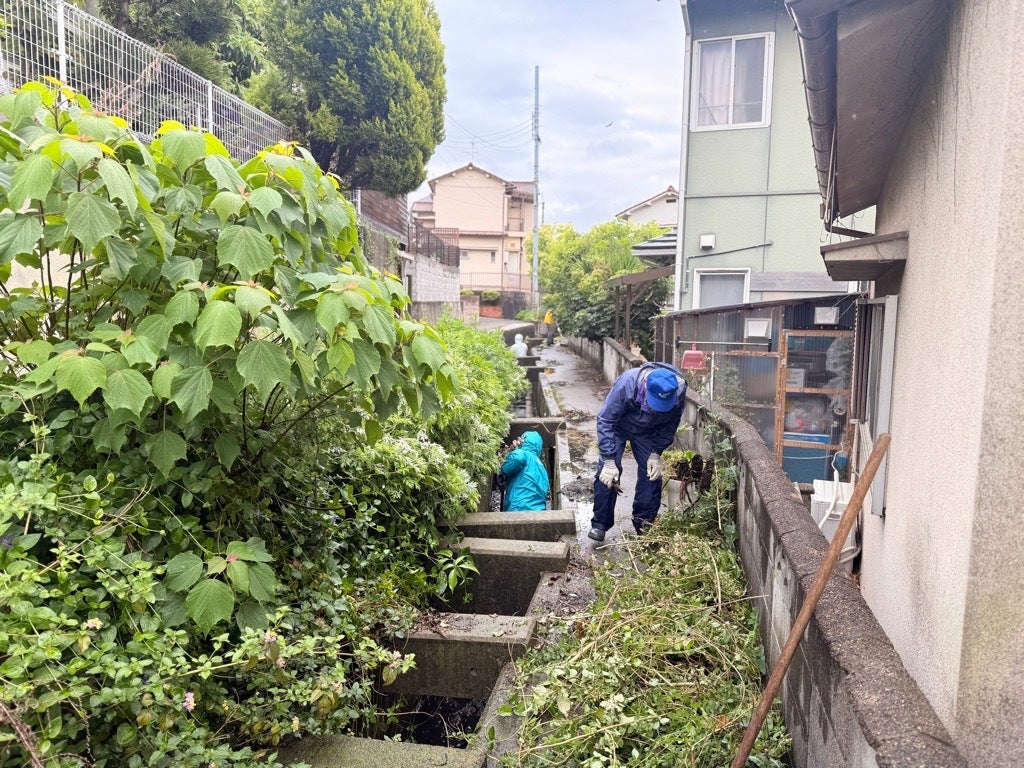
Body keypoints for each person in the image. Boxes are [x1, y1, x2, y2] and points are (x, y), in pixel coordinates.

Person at [589, 362, 687, 541]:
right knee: (607, 472)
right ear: (646, 387)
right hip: (618, 427)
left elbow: (670, 424)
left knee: (652, 474)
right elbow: (605, 420)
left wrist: (656, 452)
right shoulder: (627, 384)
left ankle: (644, 522)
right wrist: (610, 459)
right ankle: (600, 524)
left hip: (647, 431)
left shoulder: (678, 391)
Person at [500, 431, 550, 511]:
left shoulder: (523, 454)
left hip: (518, 508)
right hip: (539, 511)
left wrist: (502, 469)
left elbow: (517, 459)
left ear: (523, 441)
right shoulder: (542, 468)